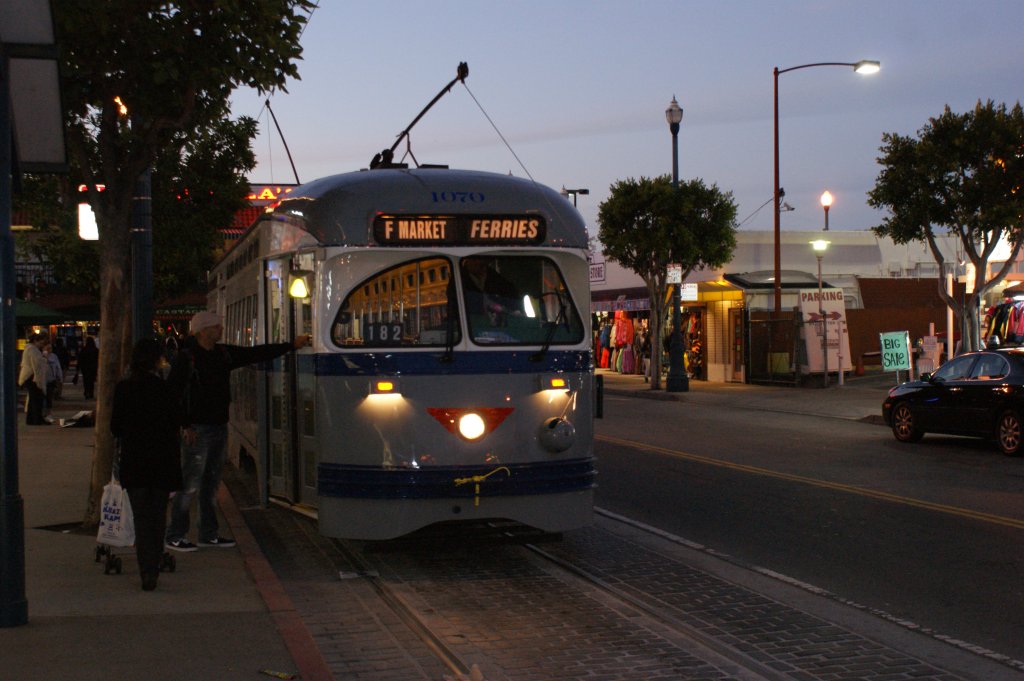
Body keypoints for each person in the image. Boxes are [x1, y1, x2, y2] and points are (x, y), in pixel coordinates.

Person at [164, 310, 310, 552]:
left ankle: (208, 534)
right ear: (203, 331)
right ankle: (175, 534)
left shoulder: (223, 353)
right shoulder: (187, 358)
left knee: (210, 484)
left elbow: (255, 353)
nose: (220, 330)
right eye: (216, 327)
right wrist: (185, 425)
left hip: (219, 425)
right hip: (197, 430)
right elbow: (173, 393)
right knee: (190, 483)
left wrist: (289, 347)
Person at [110, 338, 184, 591]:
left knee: (141, 517)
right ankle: (154, 561)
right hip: (162, 459)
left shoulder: (124, 388)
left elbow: (115, 427)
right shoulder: (164, 389)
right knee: (158, 514)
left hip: (135, 460)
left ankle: (147, 570)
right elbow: (177, 421)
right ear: (156, 361)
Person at [18, 333, 50, 425]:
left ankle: (31, 419)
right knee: (36, 399)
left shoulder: (30, 349)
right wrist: (38, 380)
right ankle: (37, 419)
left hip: (28, 376)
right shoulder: (33, 350)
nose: (42, 345)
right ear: (36, 341)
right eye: (41, 342)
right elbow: (37, 365)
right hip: (32, 376)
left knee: (33, 399)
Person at [43, 342, 63, 409]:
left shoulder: (54, 356)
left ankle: (48, 412)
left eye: (50, 348)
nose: (49, 350)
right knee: (43, 397)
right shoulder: (41, 355)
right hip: (42, 379)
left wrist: (60, 377)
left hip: (51, 379)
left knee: (49, 396)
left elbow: (58, 367)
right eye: (47, 348)